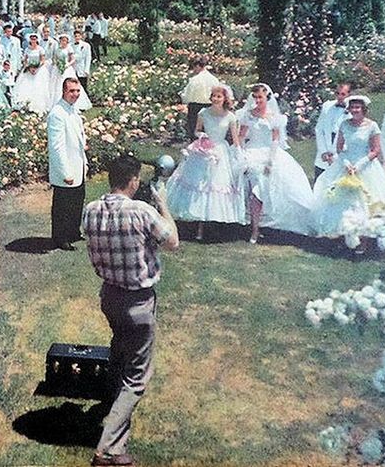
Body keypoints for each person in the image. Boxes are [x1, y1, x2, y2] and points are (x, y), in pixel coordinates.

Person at [83, 155, 179, 467]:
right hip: (138, 301)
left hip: (109, 296)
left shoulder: (91, 210)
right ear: (134, 181)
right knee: (137, 376)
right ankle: (107, 450)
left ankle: (113, 405)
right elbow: (172, 241)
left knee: (120, 350)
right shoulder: (143, 211)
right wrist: (162, 203)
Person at [312, 95, 385, 248]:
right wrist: (346, 163)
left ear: (364, 109)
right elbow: (339, 148)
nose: (355, 110)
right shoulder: (344, 124)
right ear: (349, 109)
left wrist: (361, 164)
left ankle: (364, 240)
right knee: (343, 201)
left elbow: (376, 150)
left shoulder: (372, 126)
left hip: (366, 165)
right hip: (347, 165)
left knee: (365, 201)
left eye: (358, 107)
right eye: (352, 107)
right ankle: (343, 236)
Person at [166, 84, 246, 240]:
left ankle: (213, 224)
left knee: (216, 186)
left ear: (224, 99)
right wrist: (202, 136)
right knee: (200, 184)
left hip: (220, 152)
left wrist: (239, 155)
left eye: (219, 96)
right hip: (204, 149)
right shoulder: (203, 112)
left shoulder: (230, 116)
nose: (216, 99)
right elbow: (196, 131)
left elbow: (235, 140)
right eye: (214, 96)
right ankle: (199, 225)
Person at [238, 83, 314, 243]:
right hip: (251, 152)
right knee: (252, 190)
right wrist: (240, 154)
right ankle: (254, 229)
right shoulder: (247, 115)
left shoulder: (274, 117)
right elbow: (242, 137)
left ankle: (260, 225)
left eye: (261, 97)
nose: (257, 100)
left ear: (267, 97)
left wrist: (270, 161)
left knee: (267, 188)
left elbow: (275, 141)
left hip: (269, 153)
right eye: (255, 97)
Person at [47, 77, 87, 250]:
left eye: (77, 91)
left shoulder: (72, 110)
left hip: (78, 165)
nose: (75, 94)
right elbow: (56, 148)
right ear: (63, 91)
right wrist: (65, 173)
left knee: (77, 202)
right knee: (63, 206)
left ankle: (73, 232)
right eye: (72, 91)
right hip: (67, 169)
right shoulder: (57, 114)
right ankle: (60, 238)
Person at [314, 83, 351, 181]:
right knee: (319, 183)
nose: (339, 97)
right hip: (324, 152)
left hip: (340, 154)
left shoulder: (352, 110)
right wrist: (323, 151)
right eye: (337, 93)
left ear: (348, 95)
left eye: (343, 94)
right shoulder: (327, 106)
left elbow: (350, 136)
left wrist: (335, 155)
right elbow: (319, 129)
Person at [179, 55, 219, 139]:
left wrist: (182, 95)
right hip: (210, 107)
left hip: (195, 108)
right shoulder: (214, 80)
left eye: (194, 67)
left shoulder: (195, 80)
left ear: (197, 66)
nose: (194, 70)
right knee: (208, 134)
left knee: (195, 134)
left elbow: (186, 97)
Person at [49, 33, 92, 111]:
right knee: (56, 85)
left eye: (65, 41)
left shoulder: (69, 48)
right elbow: (54, 58)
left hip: (67, 68)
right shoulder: (58, 49)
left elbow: (73, 59)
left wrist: (67, 65)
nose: (63, 42)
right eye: (62, 40)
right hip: (58, 69)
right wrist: (57, 64)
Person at [11, 33, 51, 115]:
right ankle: (25, 105)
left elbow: (43, 60)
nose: (33, 40)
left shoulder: (40, 49)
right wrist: (29, 67)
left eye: (34, 38)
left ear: (37, 40)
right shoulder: (27, 49)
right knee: (25, 87)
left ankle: (37, 106)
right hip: (29, 69)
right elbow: (25, 60)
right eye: (31, 38)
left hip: (39, 70)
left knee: (39, 87)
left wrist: (36, 67)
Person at [72, 29, 92, 94]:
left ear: (81, 36)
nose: (77, 38)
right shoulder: (71, 45)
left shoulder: (86, 45)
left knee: (83, 85)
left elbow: (88, 58)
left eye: (78, 36)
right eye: (75, 36)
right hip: (74, 68)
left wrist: (86, 69)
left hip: (82, 67)